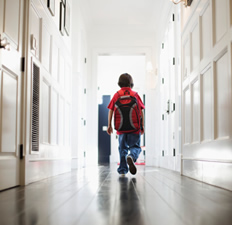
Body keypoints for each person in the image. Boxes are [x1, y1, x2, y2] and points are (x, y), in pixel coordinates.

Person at [107, 73, 145, 175]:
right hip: (134, 128)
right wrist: (142, 126)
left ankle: (123, 170)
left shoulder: (117, 95)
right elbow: (141, 111)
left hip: (121, 128)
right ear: (131, 83)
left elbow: (110, 110)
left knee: (122, 149)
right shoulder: (135, 95)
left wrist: (109, 125)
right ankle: (131, 156)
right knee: (135, 147)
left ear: (119, 83)